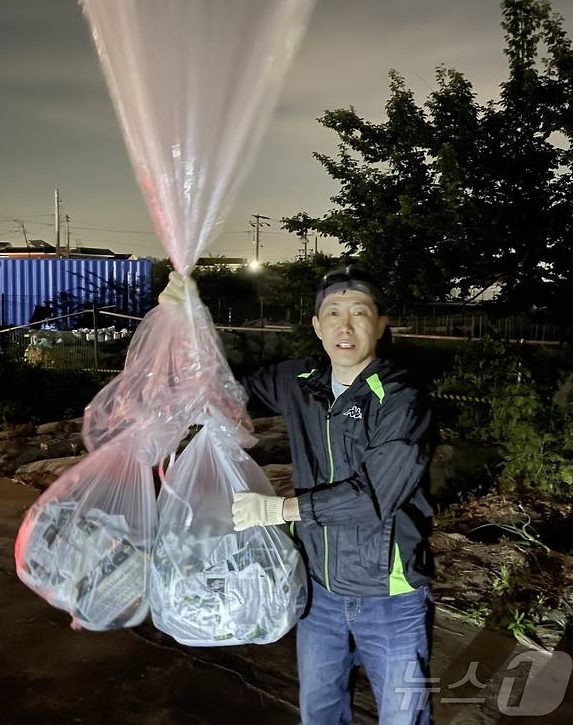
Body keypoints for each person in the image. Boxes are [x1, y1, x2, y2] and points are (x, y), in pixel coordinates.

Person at [160, 265, 435, 725]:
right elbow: (225, 389)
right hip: (321, 596)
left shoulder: (402, 399)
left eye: (359, 313)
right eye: (332, 313)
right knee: (319, 713)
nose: (344, 327)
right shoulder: (301, 381)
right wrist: (189, 321)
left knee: (403, 717)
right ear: (316, 325)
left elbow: (373, 497)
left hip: (390, 596)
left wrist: (279, 509)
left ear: (381, 324)